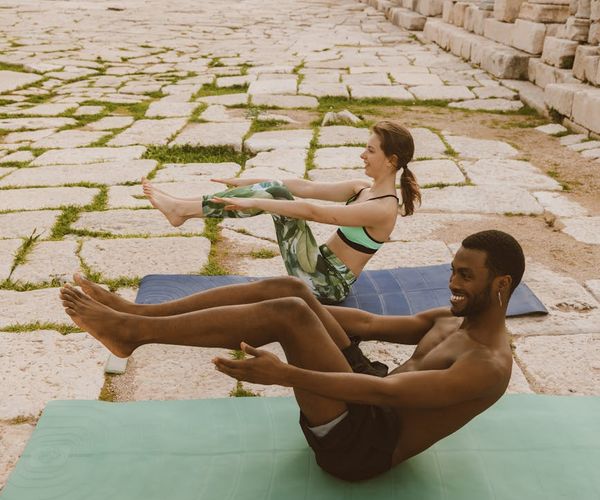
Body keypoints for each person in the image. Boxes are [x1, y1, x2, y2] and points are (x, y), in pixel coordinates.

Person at [60, 229, 524, 482]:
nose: (453, 285)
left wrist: (288, 373)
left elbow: (390, 391)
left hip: (363, 444)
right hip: (368, 393)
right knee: (292, 291)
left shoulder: (488, 366)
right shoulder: (448, 320)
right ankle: (138, 315)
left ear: (500, 285)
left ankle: (132, 333)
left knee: (287, 315)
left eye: (465, 276)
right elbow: (366, 325)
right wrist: (316, 315)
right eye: (453, 271)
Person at [141, 120, 420, 304]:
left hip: (328, 285)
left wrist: (259, 202)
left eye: (370, 150)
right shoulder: (362, 188)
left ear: (390, 160)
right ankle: (182, 208)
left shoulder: (383, 209)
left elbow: (315, 212)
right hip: (316, 265)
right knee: (276, 190)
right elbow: (307, 187)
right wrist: (254, 183)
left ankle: (181, 210)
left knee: (276, 196)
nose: (362, 155)